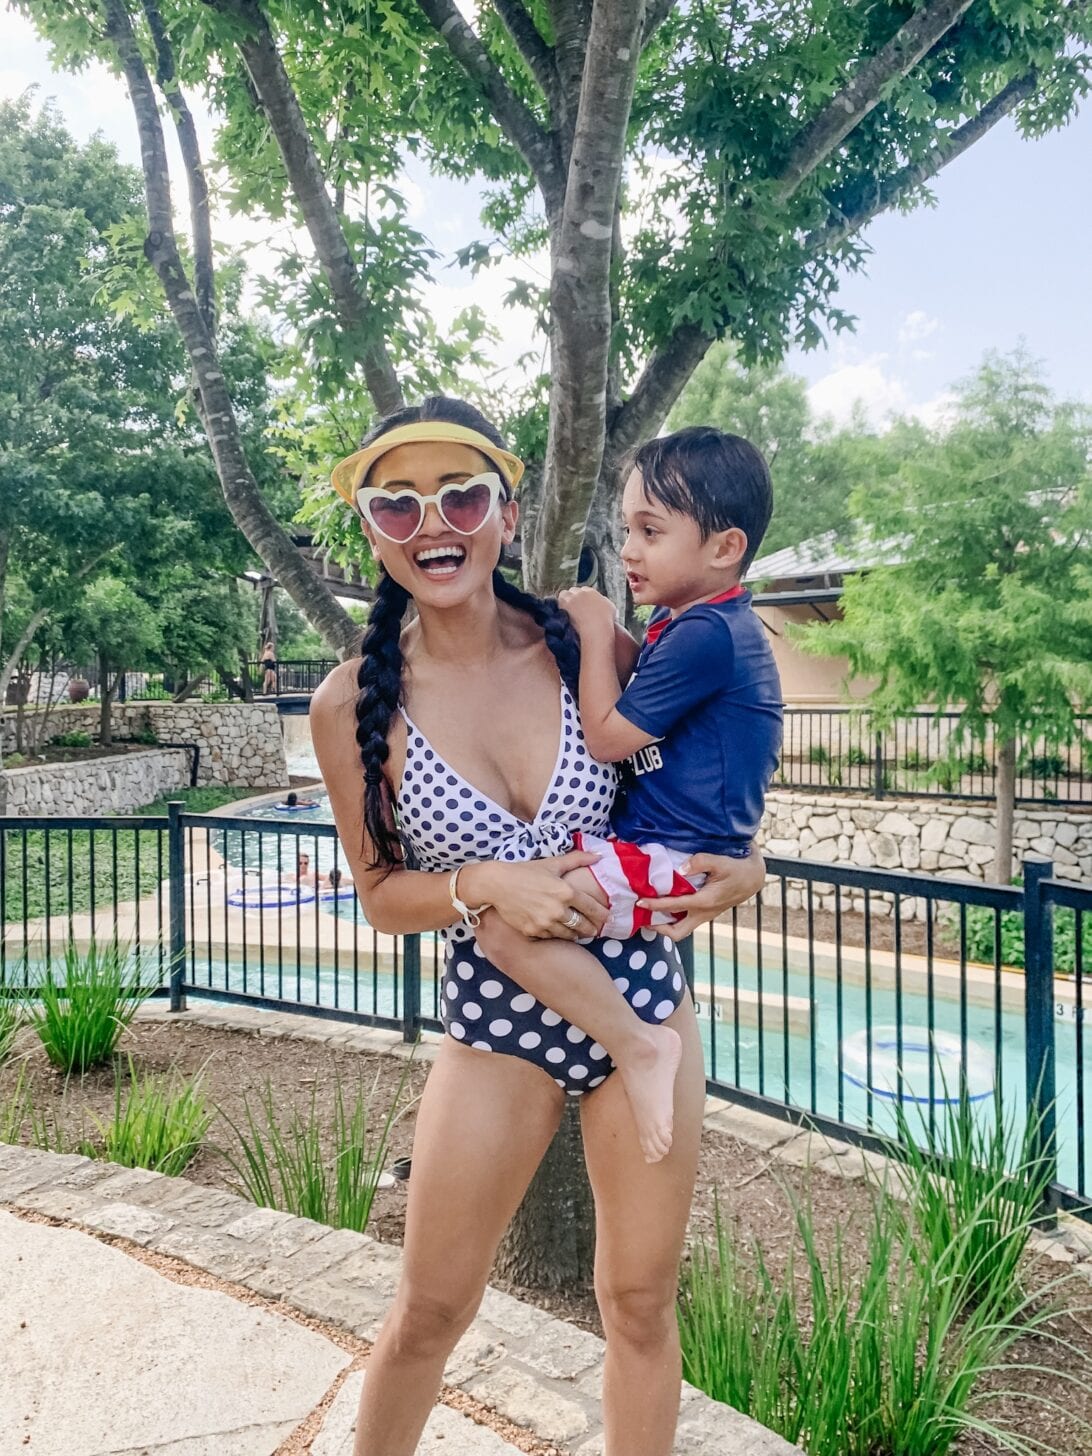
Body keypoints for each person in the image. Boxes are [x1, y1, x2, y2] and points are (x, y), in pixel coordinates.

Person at [310, 396, 766, 1456]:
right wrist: (484, 883)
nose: (435, 523)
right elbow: (382, 897)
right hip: (497, 1023)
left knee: (642, 1303)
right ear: (372, 531)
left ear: (506, 514)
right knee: (429, 1308)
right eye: (399, 503)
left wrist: (749, 860)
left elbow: (709, 770)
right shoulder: (350, 706)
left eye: (461, 495)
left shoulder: (586, 631)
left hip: (642, 1001)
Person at [473, 427, 782, 1162]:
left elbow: (612, 737)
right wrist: (611, 637)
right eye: (626, 530)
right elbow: (648, 677)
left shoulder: (709, 632)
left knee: (500, 924)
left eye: (650, 531)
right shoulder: (700, 623)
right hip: (670, 851)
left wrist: (587, 621)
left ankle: (639, 1047)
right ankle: (631, 1037)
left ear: (723, 547)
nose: (631, 551)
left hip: (665, 857)